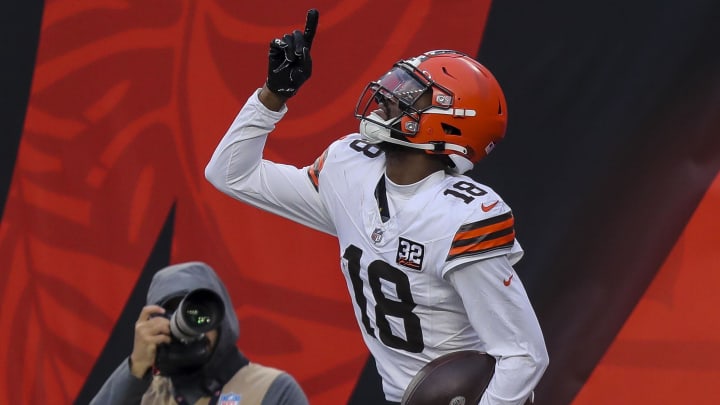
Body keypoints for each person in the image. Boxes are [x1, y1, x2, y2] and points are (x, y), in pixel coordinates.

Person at [205, 9, 549, 405]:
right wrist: (272, 95)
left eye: (409, 93)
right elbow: (231, 174)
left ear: (448, 122)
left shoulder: (462, 217)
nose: (387, 95)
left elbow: (522, 355)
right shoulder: (350, 168)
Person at [89, 261, 309, 405]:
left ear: (222, 319)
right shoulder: (143, 394)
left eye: (199, 314)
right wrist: (135, 368)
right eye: (170, 312)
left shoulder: (272, 389)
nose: (185, 324)